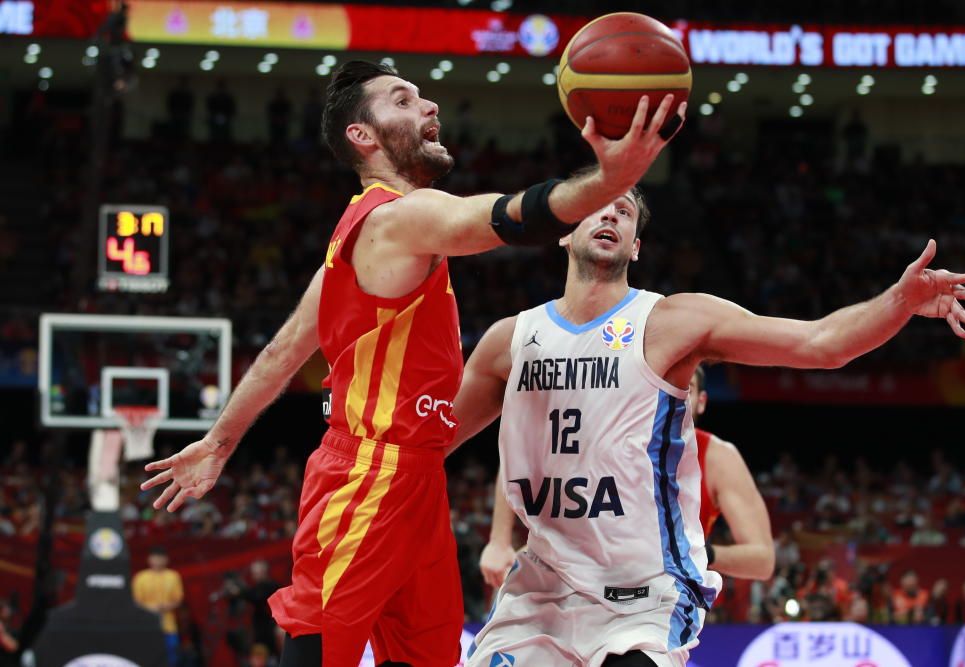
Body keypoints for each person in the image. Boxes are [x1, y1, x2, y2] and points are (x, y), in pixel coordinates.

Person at [142, 60, 686, 667]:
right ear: (363, 136)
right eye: (404, 101)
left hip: (420, 478)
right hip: (368, 473)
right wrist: (614, 177)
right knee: (324, 645)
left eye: (424, 98)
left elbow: (284, 349)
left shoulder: (358, 236)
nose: (429, 107)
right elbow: (513, 216)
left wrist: (220, 441)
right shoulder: (399, 216)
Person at [449, 184, 965, 665]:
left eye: (626, 211)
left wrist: (899, 301)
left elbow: (820, 344)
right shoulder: (509, 341)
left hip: (642, 598)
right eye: (596, 205)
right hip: (541, 593)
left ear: (636, 246)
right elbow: (434, 440)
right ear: (565, 232)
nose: (611, 213)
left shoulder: (673, 322)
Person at [479, 363, 775, 588]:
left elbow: (762, 560)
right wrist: (498, 540)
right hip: (569, 580)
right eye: (665, 384)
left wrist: (696, 552)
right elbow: (522, 455)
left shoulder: (718, 457)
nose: (673, 393)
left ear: (701, 401)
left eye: (687, 387)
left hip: (654, 597)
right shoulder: (604, 434)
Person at [132, 547, 185, 666]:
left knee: (172, 655)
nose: (158, 560)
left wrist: (166, 606)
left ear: (166, 559)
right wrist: (150, 608)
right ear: (149, 559)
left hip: (168, 625)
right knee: (148, 656)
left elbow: (178, 599)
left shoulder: (173, 576)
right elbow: (135, 602)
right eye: (155, 557)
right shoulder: (140, 577)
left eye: (161, 558)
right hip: (146, 625)